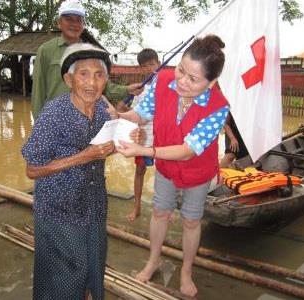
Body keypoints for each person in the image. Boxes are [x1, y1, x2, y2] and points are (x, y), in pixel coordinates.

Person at [116, 34, 229, 297]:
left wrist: (145, 150)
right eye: (181, 70)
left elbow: (189, 151)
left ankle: (186, 270)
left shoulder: (218, 107)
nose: (181, 81)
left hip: (197, 172)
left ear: (211, 83)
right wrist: (119, 117)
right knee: (159, 213)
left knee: (191, 221)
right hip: (167, 169)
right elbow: (142, 113)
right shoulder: (163, 80)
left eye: (193, 79)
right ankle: (153, 261)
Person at [22, 43, 116, 300]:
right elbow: (32, 169)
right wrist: (83, 156)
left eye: (99, 75)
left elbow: (105, 148)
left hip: (94, 205)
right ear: (69, 79)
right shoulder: (53, 114)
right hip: (59, 210)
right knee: (65, 272)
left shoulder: (103, 112)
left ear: (106, 80)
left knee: (94, 262)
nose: (92, 82)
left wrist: (123, 140)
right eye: (83, 74)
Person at [31, 0, 142, 119]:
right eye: (69, 19)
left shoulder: (91, 53)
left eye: (78, 20)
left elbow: (103, 86)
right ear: (59, 23)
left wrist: (127, 89)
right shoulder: (46, 50)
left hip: (85, 118)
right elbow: (38, 92)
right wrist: (39, 124)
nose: (74, 24)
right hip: (55, 118)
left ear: (83, 25)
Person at [126, 48, 160, 221]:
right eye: (145, 66)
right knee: (140, 170)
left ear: (159, 64)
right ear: (141, 69)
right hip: (144, 137)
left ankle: (165, 208)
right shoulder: (139, 90)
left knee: (165, 172)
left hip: (162, 138)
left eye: (152, 64)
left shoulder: (167, 86)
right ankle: (137, 205)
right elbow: (135, 113)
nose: (149, 69)